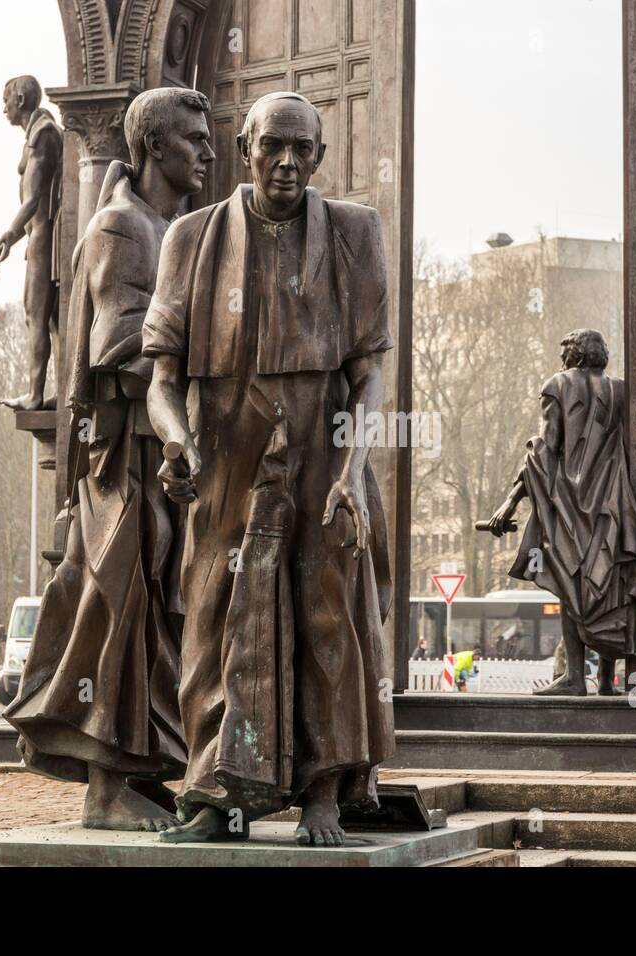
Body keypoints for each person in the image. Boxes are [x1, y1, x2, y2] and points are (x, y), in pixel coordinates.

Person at [144, 91, 395, 847]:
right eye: (271, 148)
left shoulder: (354, 232)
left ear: (319, 156)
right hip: (226, 446)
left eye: (302, 150)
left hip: (323, 441)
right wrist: (175, 441)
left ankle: (323, 789)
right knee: (217, 617)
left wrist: (354, 467)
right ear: (244, 148)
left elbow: (371, 375)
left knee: (328, 617)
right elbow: (161, 380)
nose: (287, 163)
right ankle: (217, 793)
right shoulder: (191, 238)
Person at [5, 88, 216, 832]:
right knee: (117, 609)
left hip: (163, 454)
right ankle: (102, 788)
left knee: (158, 615)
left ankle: (138, 768)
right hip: (123, 457)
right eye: (195, 138)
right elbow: (117, 348)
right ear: (155, 145)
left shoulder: (171, 227)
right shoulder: (123, 228)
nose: (208, 152)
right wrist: (206, 367)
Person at [484, 329, 636, 696]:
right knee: (609, 583)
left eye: (565, 355)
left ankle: (575, 676)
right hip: (611, 500)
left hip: (570, 501)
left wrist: (511, 500)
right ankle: (608, 681)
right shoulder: (622, 391)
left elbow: (545, 450)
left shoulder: (557, 385)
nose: (562, 361)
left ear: (575, 357)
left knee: (570, 583)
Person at [0, 75, 64, 412]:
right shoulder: (39, 133)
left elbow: (34, 201)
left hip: (46, 238)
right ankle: (58, 390)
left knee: (36, 313)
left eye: (5, 100)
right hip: (40, 234)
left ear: (20, 98)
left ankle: (35, 394)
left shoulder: (42, 134)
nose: (3, 108)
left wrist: (8, 235)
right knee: (50, 319)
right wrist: (7, 240)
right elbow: (33, 207)